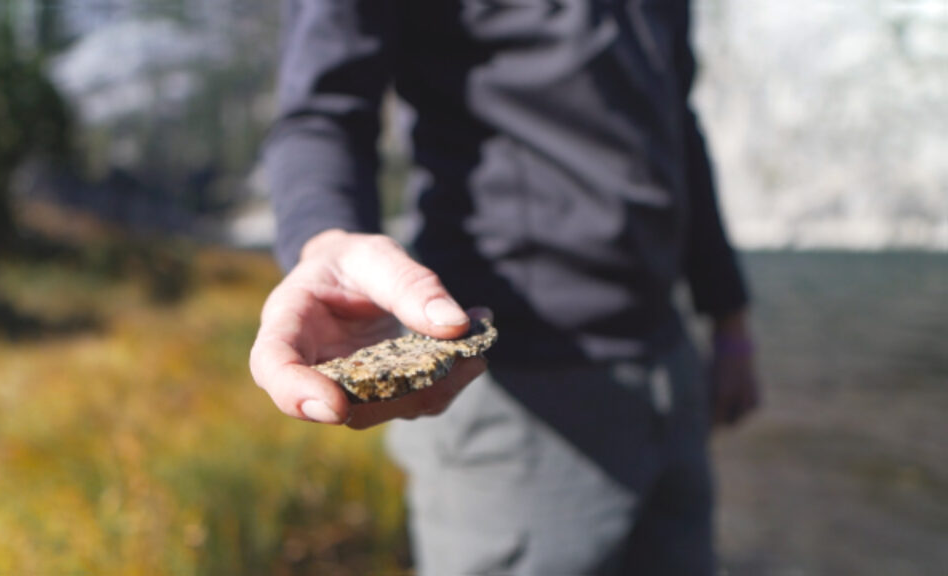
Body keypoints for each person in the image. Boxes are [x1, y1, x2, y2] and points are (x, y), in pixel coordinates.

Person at [249, 0, 760, 573]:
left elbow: (676, 119)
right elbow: (321, 110)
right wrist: (325, 240)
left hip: (673, 368)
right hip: (512, 398)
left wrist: (728, 317)